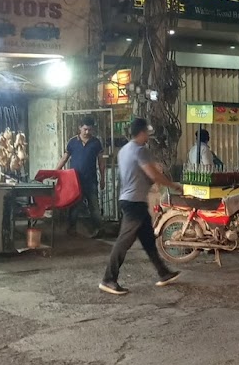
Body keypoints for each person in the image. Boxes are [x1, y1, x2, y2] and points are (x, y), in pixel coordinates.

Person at [100, 118, 182, 296]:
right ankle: (108, 278)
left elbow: (135, 174)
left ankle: (163, 272)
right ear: (142, 132)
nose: (148, 136)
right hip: (134, 202)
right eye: (147, 133)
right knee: (124, 241)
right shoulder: (140, 150)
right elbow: (153, 175)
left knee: (148, 239)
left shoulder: (124, 150)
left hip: (130, 199)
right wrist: (173, 185)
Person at [58, 117, 105, 237]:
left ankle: (98, 229)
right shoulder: (72, 142)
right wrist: (56, 171)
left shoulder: (96, 142)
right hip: (75, 181)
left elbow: (101, 162)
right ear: (80, 128)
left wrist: (103, 178)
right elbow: (65, 158)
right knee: (74, 206)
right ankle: (71, 228)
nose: (87, 132)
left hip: (91, 181)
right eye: (85, 129)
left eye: (90, 129)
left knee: (94, 206)